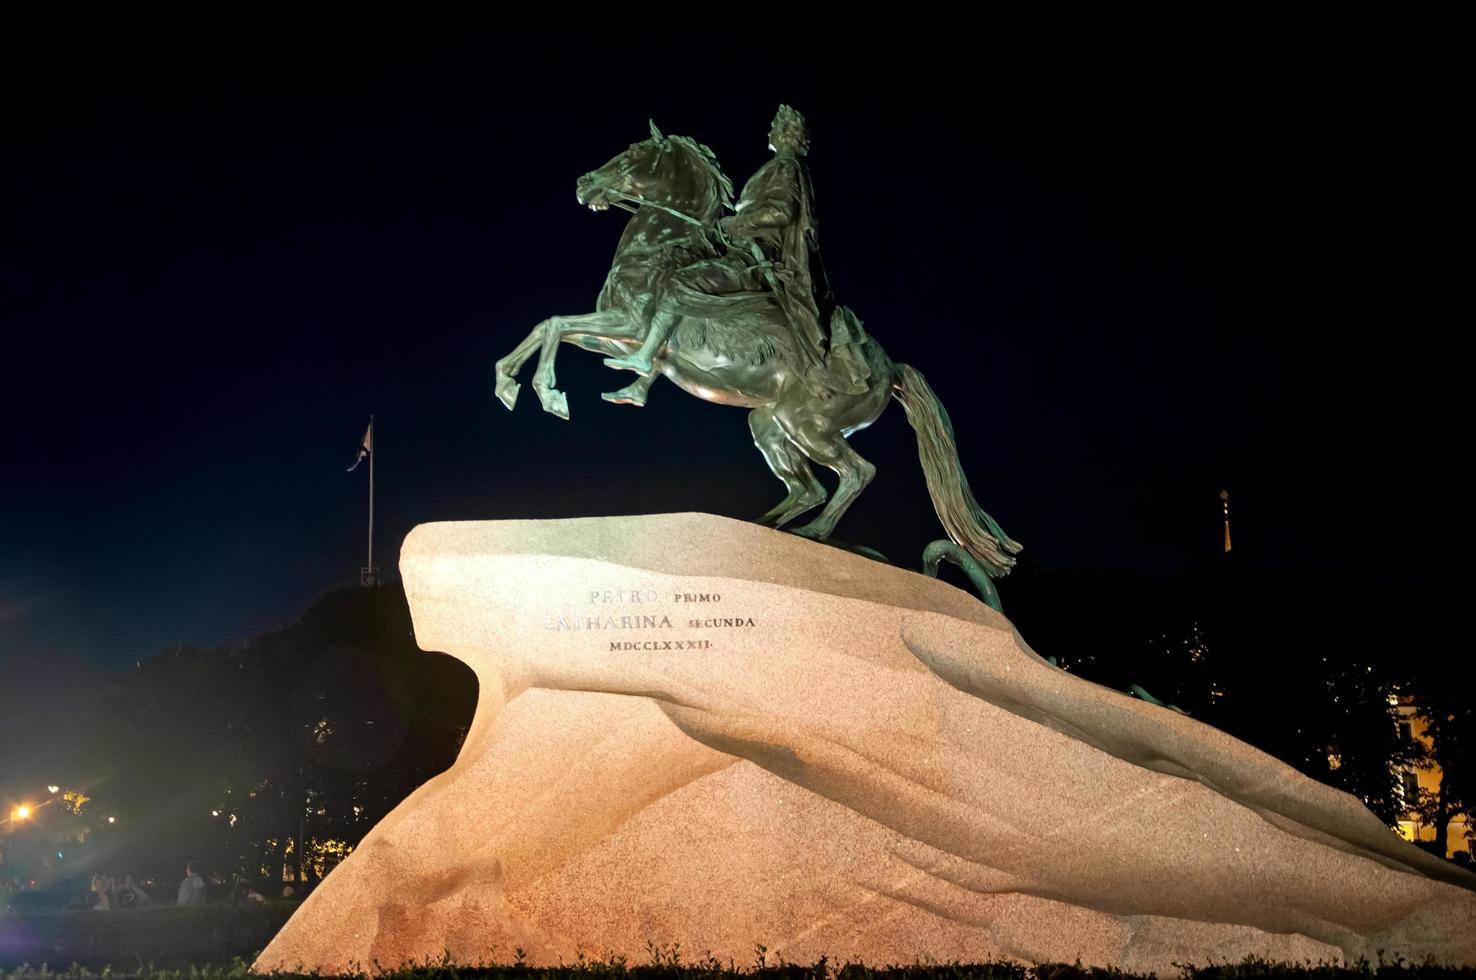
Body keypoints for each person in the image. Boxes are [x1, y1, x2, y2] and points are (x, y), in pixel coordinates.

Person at [604, 105, 870, 398]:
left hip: (756, 256)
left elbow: (782, 211)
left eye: (776, 127)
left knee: (680, 281)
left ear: (784, 134)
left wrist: (736, 222)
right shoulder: (780, 168)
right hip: (744, 248)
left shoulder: (786, 167)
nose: (771, 131)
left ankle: (646, 355)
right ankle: (642, 385)